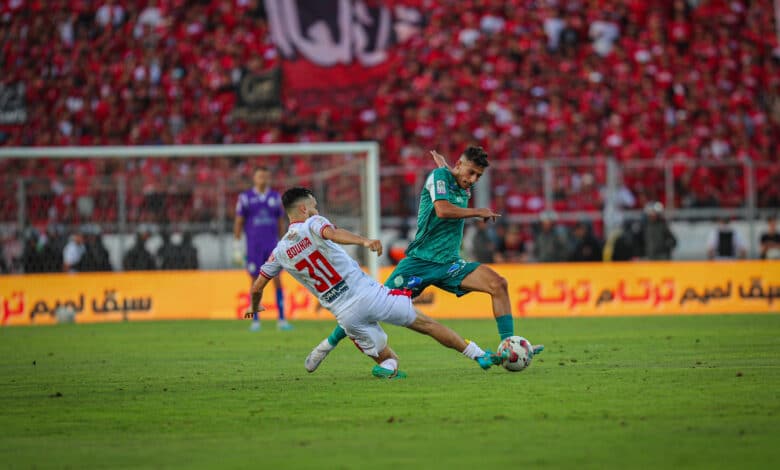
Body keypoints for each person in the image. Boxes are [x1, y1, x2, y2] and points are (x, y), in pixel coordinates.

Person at [305, 146, 543, 373]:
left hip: (449, 264)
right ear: (459, 164)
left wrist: (452, 170)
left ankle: (510, 346)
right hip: (419, 262)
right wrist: (477, 211)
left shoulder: (460, 183)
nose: (472, 179)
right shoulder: (439, 175)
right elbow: (442, 210)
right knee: (366, 308)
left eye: (478, 176)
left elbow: (453, 181)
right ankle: (327, 345)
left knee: (498, 284)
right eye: (471, 172)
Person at [250, 187, 508, 379]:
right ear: (304, 210)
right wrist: (364, 241)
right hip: (370, 295)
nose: (317, 211)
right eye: (314, 207)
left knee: (389, 358)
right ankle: (477, 355)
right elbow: (332, 233)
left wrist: (255, 307)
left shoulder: (280, 251)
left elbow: (257, 286)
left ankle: (381, 364)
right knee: (427, 324)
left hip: (345, 314)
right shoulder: (313, 223)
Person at [234, 167, 290, 331]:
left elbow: (280, 222)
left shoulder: (275, 197)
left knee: (278, 281)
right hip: (253, 246)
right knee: (254, 282)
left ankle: (281, 319)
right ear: (254, 178)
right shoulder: (245, 198)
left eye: (265, 176)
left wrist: (283, 242)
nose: (263, 179)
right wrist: (236, 246)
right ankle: (256, 320)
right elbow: (238, 222)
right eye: (260, 176)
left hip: (272, 246)